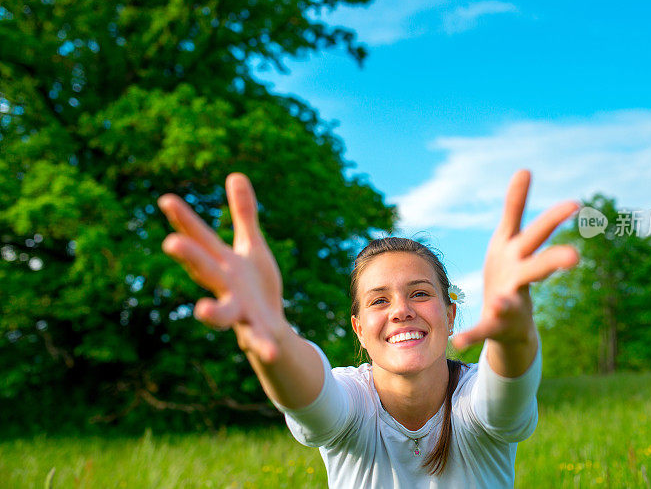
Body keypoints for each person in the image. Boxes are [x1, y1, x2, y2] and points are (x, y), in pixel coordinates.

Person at [158, 170, 579, 488]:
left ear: (451, 315)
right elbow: (310, 398)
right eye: (380, 300)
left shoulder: (474, 403)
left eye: (419, 294)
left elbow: (507, 388)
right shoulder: (353, 403)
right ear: (359, 329)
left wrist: (515, 328)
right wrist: (274, 338)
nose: (401, 311)